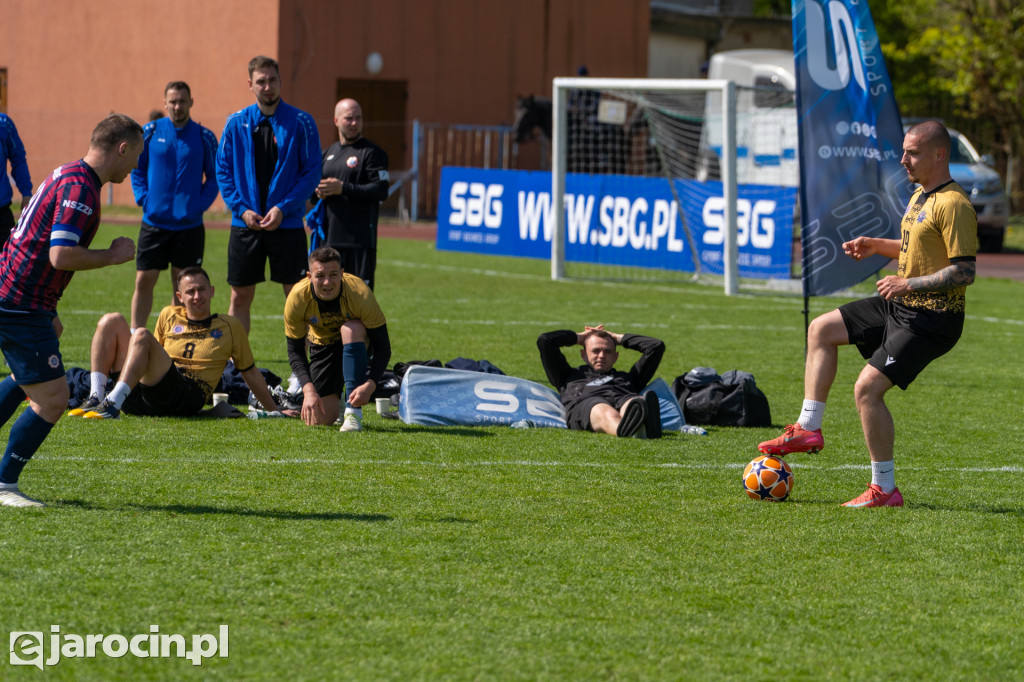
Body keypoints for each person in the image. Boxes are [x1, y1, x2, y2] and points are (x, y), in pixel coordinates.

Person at [758, 120, 978, 508]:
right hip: (901, 304)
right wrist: (878, 245)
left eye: (912, 152)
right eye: (904, 151)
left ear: (939, 154)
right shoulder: (921, 195)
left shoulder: (954, 204)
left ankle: (885, 489)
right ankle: (808, 429)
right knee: (821, 329)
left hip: (932, 319)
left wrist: (907, 284)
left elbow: (964, 271)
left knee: (866, 390)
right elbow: (918, 249)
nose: (903, 159)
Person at [0, 114, 142, 507]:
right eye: (135, 157)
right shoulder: (81, 188)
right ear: (121, 148)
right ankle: (4, 484)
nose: (135, 167)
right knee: (53, 398)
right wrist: (112, 256)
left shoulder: (69, 172)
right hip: (19, 302)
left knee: (45, 351)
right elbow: (61, 255)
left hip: (18, 293)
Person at [70, 266, 291, 420]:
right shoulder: (169, 314)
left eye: (202, 289)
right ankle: (97, 396)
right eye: (190, 291)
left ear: (212, 291)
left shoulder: (230, 325)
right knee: (111, 320)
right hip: (144, 399)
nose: (197, 296)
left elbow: (250, 371)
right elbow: (145, 358)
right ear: (180, 296)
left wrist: (273, 410)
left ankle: (112, 405)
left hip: (187, 396)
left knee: (141, 336)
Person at [216, 55, 321, 331]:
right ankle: (236, 367)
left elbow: (311, 173)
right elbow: (223, 171)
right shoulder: (235, 122)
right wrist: (241, 209)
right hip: (245, 225)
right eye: (261, 81)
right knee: (239, 297)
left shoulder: (302, 122)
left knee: (297, 296)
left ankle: (303, 370)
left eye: (272, 80)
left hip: (286, 224)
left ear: (281, 82)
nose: (267, 86)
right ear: (250, 84)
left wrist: (283, 208)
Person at [129, 81, 219, 330]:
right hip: (154, 223)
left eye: (182, 101)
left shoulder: (204, 137)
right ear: (165, 103)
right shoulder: (149, 131)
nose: (177, 106)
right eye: (173, 101)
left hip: (189, 226)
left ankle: (174, 337)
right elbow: (137, 168)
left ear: (191, 102)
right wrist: (144, 198)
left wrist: (199, 204)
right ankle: (135, 334)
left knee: (184, 286)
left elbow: (215, 177)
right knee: (143, 281)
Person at [284, 246, 392, 432]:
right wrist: (308, 390)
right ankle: (339, 399)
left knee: (351, 328)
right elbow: (294, 350)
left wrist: (370, 384)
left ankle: (353, 413)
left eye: (333, 274)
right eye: (320, 276)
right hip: (321, 344)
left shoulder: (359, 293)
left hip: (356, 341)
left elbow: (383, 347)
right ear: (309, 276)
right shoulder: (297, 297)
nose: (327, 282)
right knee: (321, 419)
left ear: (342, 273)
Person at [313, 98, 389, 290]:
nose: (354, 123)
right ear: (336, 121)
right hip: (329, 242)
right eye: (349, 118)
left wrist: (343, 188)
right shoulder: (327, 154)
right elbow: (314, 197)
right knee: (328, 302)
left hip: (359, 242)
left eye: (358, 118)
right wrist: (316, 193)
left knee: (358, 303)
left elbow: (381, 190)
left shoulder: (372, 153)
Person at [537, 325, 664, 438]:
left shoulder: (628, 378)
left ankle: (638, 424)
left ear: (616, 356)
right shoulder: (567, 376)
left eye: (608, 351)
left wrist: (617, 338)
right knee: (607, 413)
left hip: (623, 397)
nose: (602, 356)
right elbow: (546, 341)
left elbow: (655, 346)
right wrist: (579, 338)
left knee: (635, 402)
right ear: (583, 354)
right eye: (595, 351)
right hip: (588, 404)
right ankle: (634, 430)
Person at [0, 112, 33, 250]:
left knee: (8, 264)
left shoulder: (4, 123)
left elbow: (18, 159)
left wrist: (26, 193)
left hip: (1, 213)